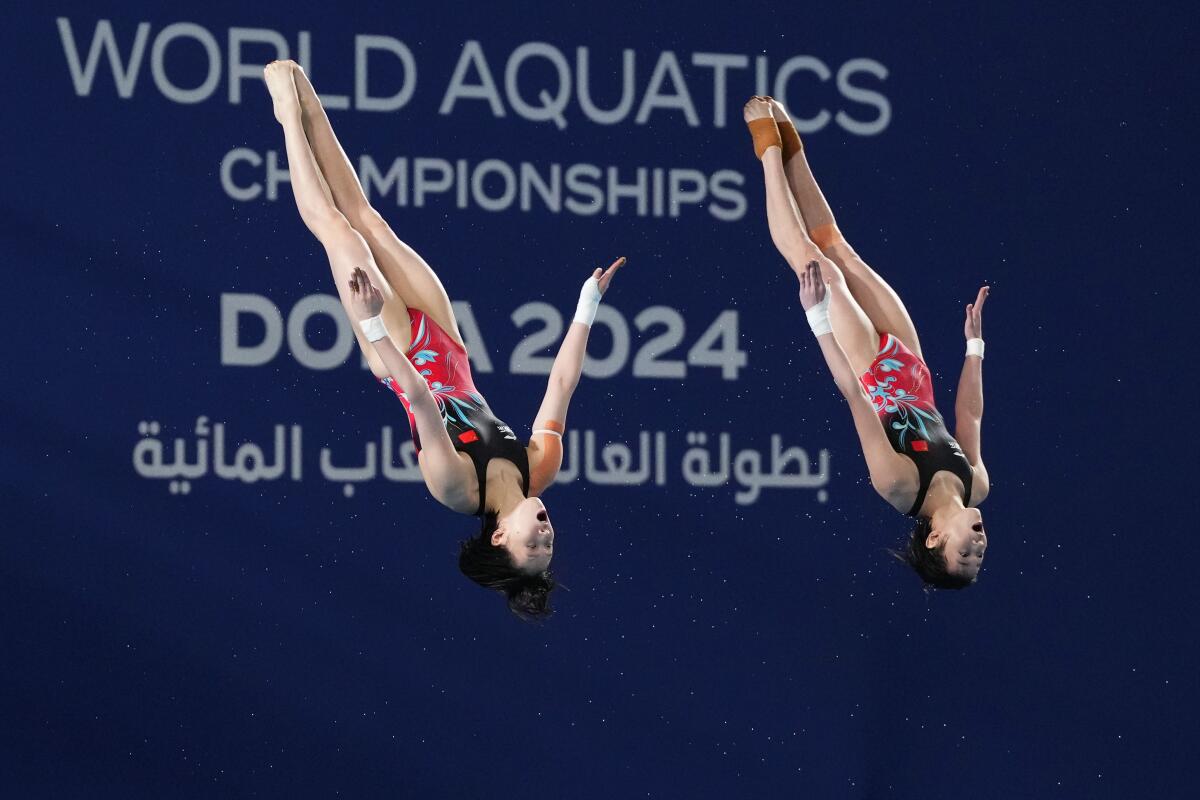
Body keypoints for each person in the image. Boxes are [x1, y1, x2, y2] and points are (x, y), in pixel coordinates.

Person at [263, 60, 626, 617]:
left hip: (402, 355)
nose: (546, 536)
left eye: (534, 545)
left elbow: (420, 399)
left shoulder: (456, 489)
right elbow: (561, 384)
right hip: (448, 344)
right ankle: (308, 100)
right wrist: (588, 304)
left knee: (340, 234)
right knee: (370, 219)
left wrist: (370, 324)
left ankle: (288, 119)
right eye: (550, 546)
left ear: (500, 538)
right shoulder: (541, 468)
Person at [744, 96, 991, 589]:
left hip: (870, 369)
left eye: (965, 555)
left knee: (817, 266)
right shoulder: (976, 484)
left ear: (935, 539)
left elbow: (855, 397)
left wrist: (818, 319)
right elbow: (970, 416)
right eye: (980, 558)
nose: (978, 549)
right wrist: (973, 349)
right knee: (838, 247)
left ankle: (767, 150)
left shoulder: (899, 487)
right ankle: (794, 150)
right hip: (911, 362)